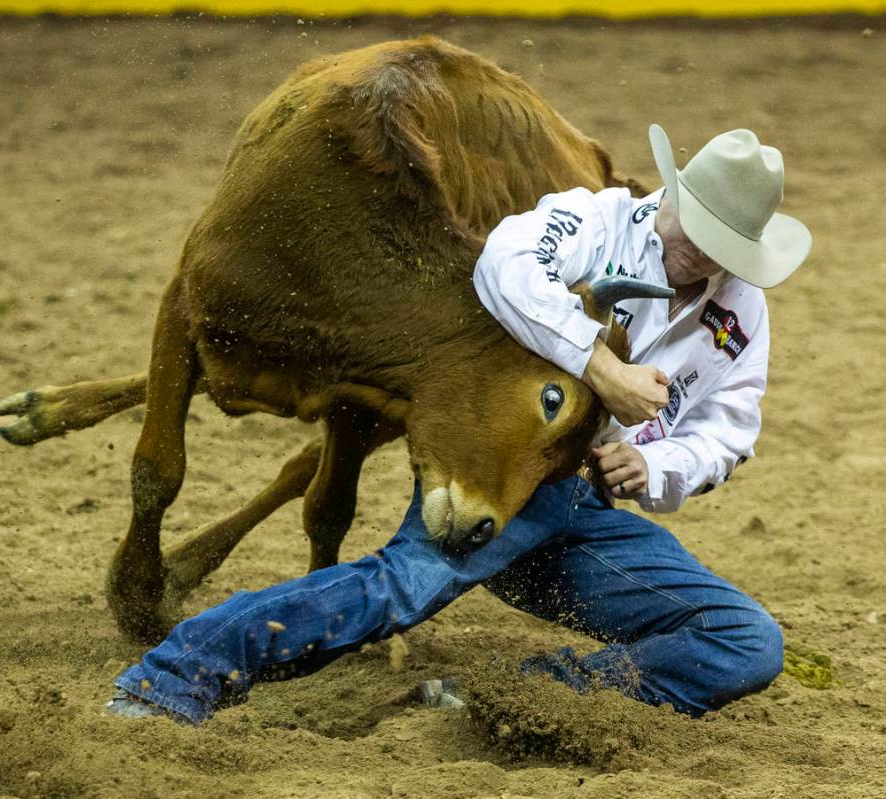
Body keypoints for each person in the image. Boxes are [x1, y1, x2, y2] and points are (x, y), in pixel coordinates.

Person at [107, 124, 812, 724]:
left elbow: (729, 425)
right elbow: (505, 264)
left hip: (585, 505)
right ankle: (172, 673)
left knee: (744, 640)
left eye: (725, 245)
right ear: (675, 195)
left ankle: (518, 699)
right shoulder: (594, 220)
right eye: (699, 230)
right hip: (498, 464)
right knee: (396, 590)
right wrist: (603, 371)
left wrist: (658, 467)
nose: (705, 255)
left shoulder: (740, 309)